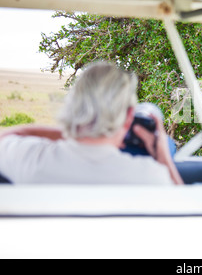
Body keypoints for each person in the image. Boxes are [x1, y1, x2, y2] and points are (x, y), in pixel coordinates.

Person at [0, 61, 183, 185]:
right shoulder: (149, 176)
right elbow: (188, 216)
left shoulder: (29, 158)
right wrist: (164, 157)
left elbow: (6, 136)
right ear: (128, 117)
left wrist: (73, 132)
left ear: (73, 107)